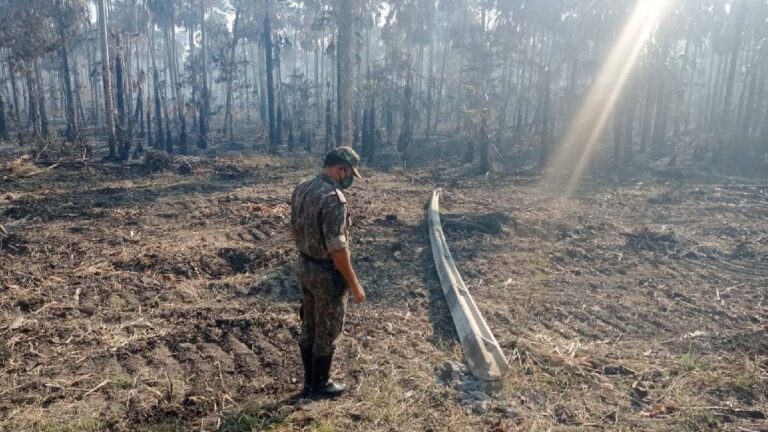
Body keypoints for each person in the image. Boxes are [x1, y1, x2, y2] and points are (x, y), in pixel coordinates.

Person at [289, 146, 366, 398]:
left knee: (308, 325)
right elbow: (337, 247)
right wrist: (354, 284)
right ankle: (320, 385)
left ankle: (310, 383)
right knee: (327, 329)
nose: (350, 178)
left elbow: (294, 229)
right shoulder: (333, 197)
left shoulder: (302, 188)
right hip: (325, 274)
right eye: (349, 172)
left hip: (304, 266)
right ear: (340, 168)